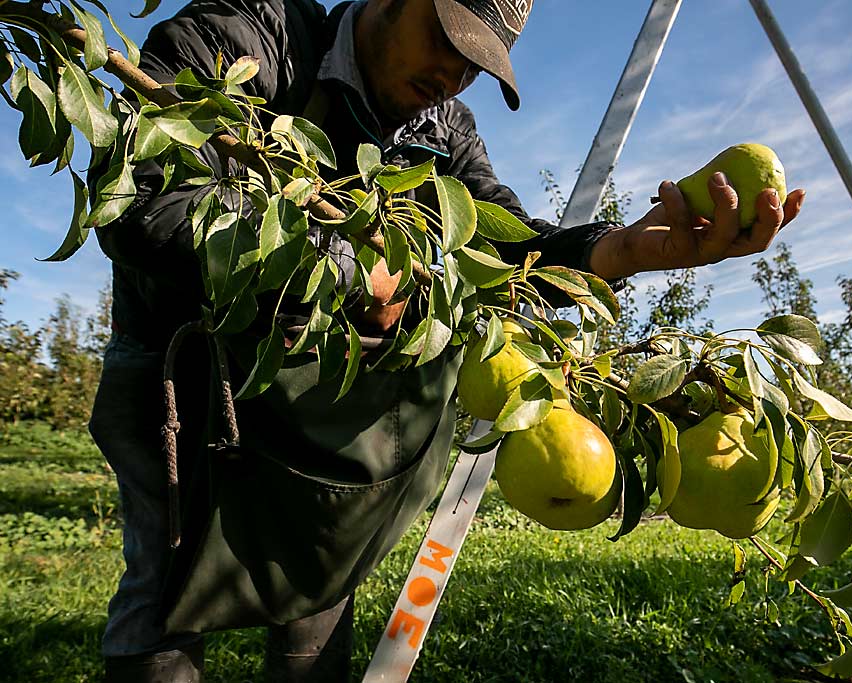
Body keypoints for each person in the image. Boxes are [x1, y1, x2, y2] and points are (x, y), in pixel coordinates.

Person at [89, 0, 806, 680]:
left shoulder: (444, 129)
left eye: (477, 65)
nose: (454, 77)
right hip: (182, 372)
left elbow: (510, 257)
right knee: (166, 585)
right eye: (448, 39)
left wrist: (623, 250)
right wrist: (349, 270)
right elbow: (144, 202)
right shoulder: (248, 38)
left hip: (315, 399)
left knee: (319, 581)